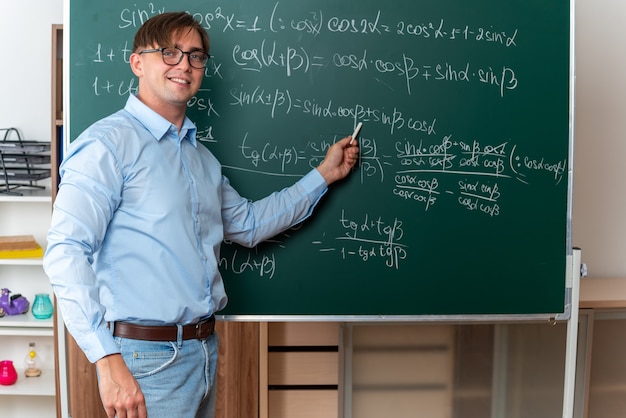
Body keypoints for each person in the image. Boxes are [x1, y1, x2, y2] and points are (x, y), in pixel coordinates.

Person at [43, 11, 359, 418]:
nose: (184, 65)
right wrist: (106, 359)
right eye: (169, 53)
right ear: (138, 62)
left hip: (204, 351)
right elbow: (65, 251)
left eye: (195, 56)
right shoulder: (107, 146)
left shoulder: (201, 159)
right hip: (144, 362)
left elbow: (247, 225)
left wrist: (323, 175)